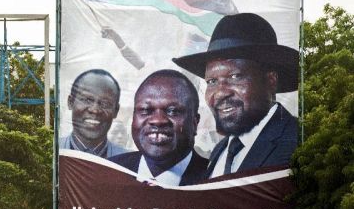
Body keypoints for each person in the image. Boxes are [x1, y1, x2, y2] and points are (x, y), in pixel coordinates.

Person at [172, 13, 299, 178]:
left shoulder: (298, 143)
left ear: (270, 81)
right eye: (211, 81)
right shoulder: (221, 150)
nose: (220, 93)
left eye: (235, 77)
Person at [110, 69, 208, 186]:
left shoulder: (218, 179)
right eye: (146, 110)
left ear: (195, 123)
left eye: (173, 111)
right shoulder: (106, 172)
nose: (157, 120)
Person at [60, 69, 127, 158]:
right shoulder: (52, 152)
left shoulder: (129, 164)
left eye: (105, 104)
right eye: (87, 100)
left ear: (116, 111)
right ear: (70, 102)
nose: (95, 110)